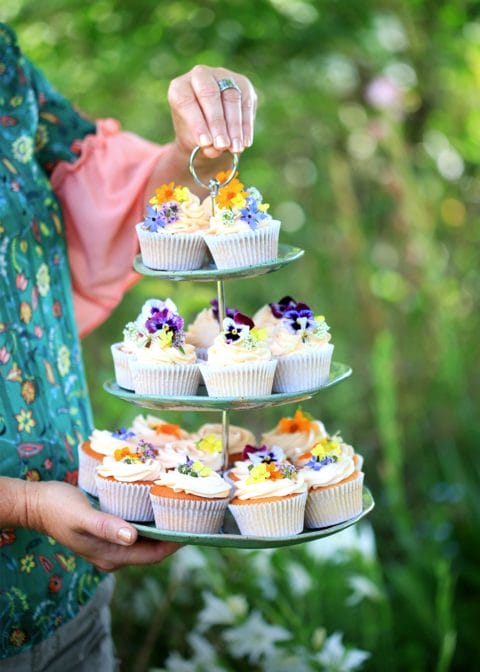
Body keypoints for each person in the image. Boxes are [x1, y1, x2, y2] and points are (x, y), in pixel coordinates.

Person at [0, 22, 257, 669]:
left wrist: (200, 141)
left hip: (70, 596)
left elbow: (125, 208)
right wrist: (25, 502)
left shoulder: (6, 69)